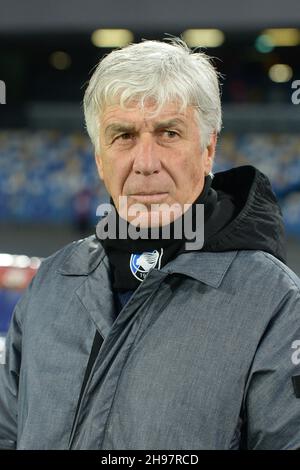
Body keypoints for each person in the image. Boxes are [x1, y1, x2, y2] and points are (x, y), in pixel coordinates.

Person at [1, 38, 300, 451]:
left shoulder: (276, 302)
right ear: (99, 159)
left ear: (208, 149)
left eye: (169, 133)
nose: (145, 162)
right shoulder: (52, 281)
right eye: (123, 135)